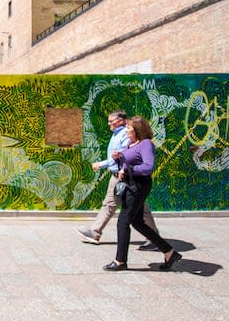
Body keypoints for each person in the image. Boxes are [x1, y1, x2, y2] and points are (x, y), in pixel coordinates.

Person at [103, 116, 182, 271]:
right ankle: (169, 252)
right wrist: (119, 159)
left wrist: (127, 169)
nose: (126, 130)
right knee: (137, 222)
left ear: (137, 130)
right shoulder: (132, 144)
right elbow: (129, 163)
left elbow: (148, 167)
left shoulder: (146, 144)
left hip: (138, 186)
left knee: (123, 221)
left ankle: (120, 261)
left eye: (129, 128)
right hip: (130, 184)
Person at [77, 110, 160, 250]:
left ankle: (154, 239)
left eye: (111, 121)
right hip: (119, 175)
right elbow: (122, 154)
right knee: (114, 204)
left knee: (131, 209)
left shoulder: (127, 135)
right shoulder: (117, 134)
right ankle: (95, 233)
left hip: (126, 178)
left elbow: (136, 161)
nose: (109, 123)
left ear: (121, 121)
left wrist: (102, 164)